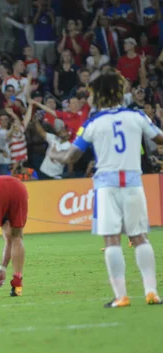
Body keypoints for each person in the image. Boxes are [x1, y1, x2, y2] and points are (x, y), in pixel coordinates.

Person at [50, 71, 163, 308]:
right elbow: (159, 138)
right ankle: (151, 292)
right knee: (140, 237)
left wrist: (54, 153)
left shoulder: (93, 123)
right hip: (133, 182)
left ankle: (121, 296)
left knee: (112, 240)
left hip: (106, 186)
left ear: (98, 95)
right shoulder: (137, 116)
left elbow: (71, 155)